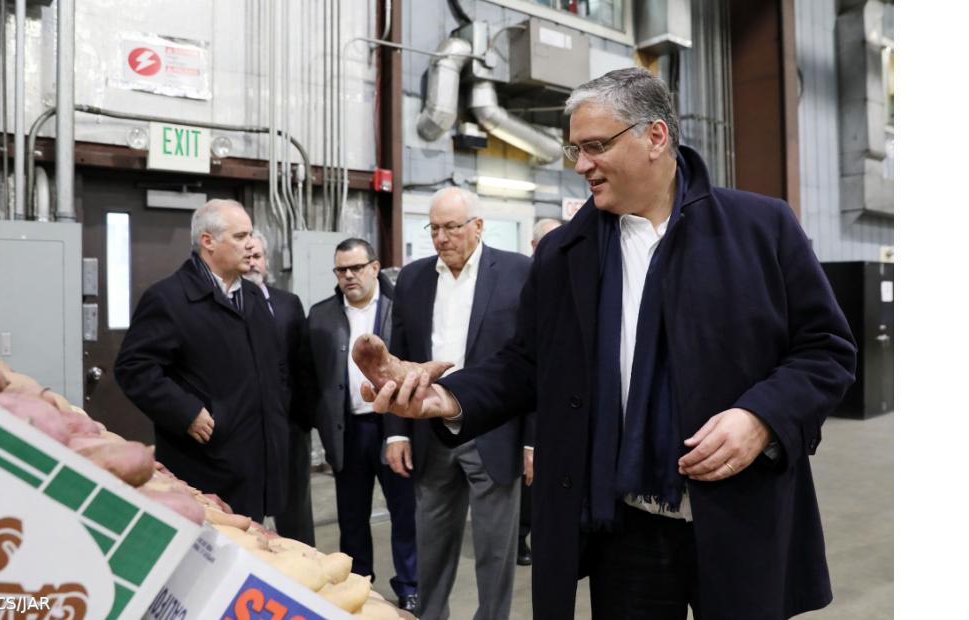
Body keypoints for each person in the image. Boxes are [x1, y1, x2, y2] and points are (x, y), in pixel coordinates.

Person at [363, 68, 857, 620]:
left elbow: (827, 350)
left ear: (655, 138)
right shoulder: (564, 255)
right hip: (622, 527)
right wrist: (448, 398)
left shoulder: (760, 228)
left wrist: (760, 418)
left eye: (595, 146)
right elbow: (527, 363)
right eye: (575, 149)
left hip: (739, 515)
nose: (580, 165)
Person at [383, 187, 533, 620]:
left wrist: (532, 441)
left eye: (451, 227)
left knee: (494, 554)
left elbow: (535, 362)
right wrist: (396, 430)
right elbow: (398, 353)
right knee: (432, 550)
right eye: (434, 228)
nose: (442, 237)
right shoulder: (412, 279)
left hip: (495, 431)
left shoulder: (517, 272)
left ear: (478, 226)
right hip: (431, 434)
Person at [114, 199, 289, 522]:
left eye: (250, 235)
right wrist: (186, 411)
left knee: (257, 548)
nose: (251, 245)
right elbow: (133, 368)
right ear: (208, 241)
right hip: (206, 462)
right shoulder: (169, 299)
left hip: (259, 458)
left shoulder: (252, 298)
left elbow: (273, 367)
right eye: (240, 237)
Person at [301, 238, 419, 612]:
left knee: (404, 511)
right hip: (347, 431)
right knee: (351, 515)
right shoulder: (320, 316)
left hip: (394, 427)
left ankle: (410, 583)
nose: (348, 276)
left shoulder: (401, 308)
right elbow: (309, 377)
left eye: (355, 267)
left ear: (374, 267)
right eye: (341, 270)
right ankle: (359, 584)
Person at [246, 231, 315, 546]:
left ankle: (303, 574)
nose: (252, 263)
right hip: (244, 427)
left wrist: (302, 417)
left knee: (295, 511)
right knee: (244, 515)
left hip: (288, 425)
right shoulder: (219, 305)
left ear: (267, 262)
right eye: (246, 257)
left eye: (257, 256)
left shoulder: (288, 304)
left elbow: (303, 363)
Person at [516, 217, 563, 567]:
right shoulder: (524, 287)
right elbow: (521, 364)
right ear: (535, 248)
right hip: (527, 413)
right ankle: (520, 538)